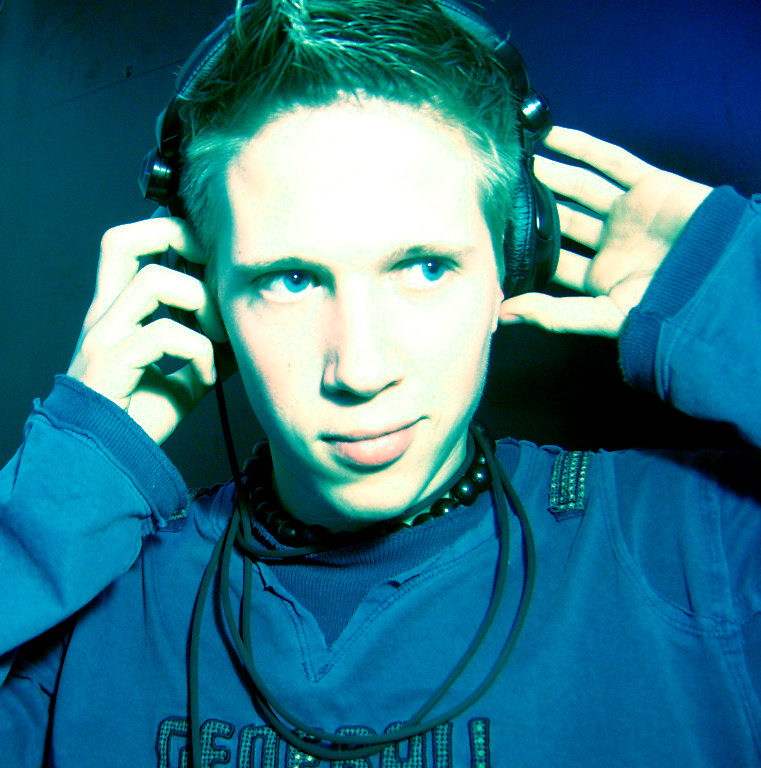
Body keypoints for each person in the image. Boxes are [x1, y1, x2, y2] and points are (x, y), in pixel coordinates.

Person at [1, 0, 760, 765]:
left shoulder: (698, 553)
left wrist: (735, 294)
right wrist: (68, 477)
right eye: (291, 280)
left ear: (512, 260)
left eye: (424, 268)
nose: (361, 371)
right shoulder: (90, 609)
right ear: (204, 297)